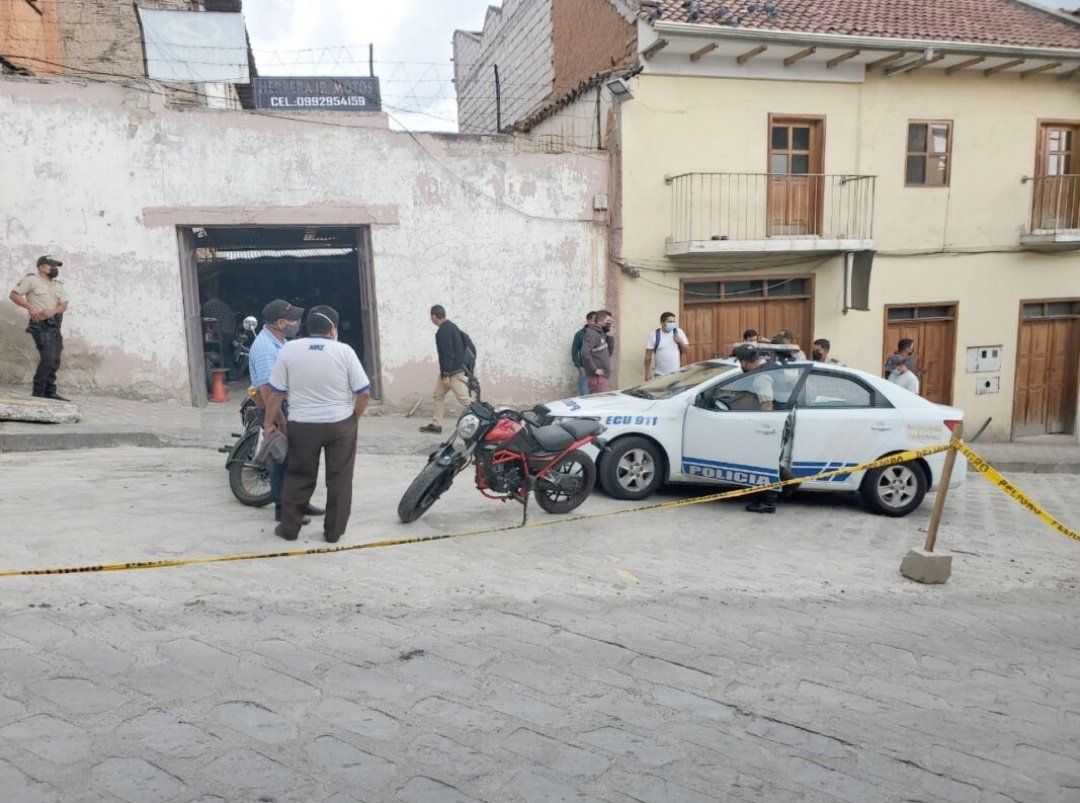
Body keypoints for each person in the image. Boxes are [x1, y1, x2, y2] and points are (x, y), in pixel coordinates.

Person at [264, 306, 370, 543]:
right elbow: (364, 393)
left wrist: (269, 422)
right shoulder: (344, 351)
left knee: (299, 475)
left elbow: (275, 394)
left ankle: (289, 529)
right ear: (332, 328)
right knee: (340, 478)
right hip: (340, 424)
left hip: (302, 424)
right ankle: (333, 532)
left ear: (306, 326)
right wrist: (353, 419)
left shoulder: (289, 350)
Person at [247, 299, 324, 526]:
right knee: (282, 463)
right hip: (279, 412)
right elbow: (269, 392)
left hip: (291, 409)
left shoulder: (279, 342)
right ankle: (284, 511)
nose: (297, 323)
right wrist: (281, 422)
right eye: (293, 319)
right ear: (281, 322)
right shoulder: (264, 348)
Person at [8, 255, 70, 401]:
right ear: (42, 267)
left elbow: (64, 304)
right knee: (48, 358)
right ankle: (38, 393)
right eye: (52, 266)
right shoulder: (31, 280)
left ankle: (49, 392)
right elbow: (14, 295)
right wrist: (30, 307)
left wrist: (53, 311)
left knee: (55, 359)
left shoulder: (57, 284)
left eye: (56, 266)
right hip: (41, 324)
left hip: (56, 323)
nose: (55, 269)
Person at [733, 344, 781, 513]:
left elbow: (767, 405)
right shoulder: (773, 366)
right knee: (774, 461)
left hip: (771, 424)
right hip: (784, 419)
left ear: (744, 363)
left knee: (764, 461)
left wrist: (764, 428)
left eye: (740, 362)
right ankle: (787, 488)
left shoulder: (761, 377)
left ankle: (767, 501)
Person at [420, 304, 471, 434]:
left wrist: (446, 374)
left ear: (434, 316)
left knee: (465, 400)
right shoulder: (452, 327)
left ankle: (482, 420)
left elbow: (447, 353)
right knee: (438, 395)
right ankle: (436, 424)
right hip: (453, 370)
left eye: (431, 317)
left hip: (452, 372)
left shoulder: (443, 331)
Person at [644, 311, 689, 380]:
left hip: (677, 374)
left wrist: (680, 341)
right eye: (669, 322)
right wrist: (647, 373)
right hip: (660, 375)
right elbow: (648, 356)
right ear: (662, 322)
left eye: (673, 322)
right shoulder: (654, 335)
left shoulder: (679, 332)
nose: (672, 324)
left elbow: (686, 351)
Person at [201, 293, 236, 379]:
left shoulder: (207, 306)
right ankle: (232, 372)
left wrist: (208, 331)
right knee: (228, 351)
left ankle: (232, 373)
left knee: (224, 353)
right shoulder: (222, 304)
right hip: (230, 329)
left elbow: (206, 321)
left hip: (221, 332)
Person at [581, 309, 615, 393]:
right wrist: (594, 369)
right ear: (600, 321)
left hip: (603, 378)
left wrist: (610, 338)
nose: (610, 324)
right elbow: (584, 352)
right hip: (597, 378)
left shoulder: (602, 334)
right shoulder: (593, 333)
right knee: (601, 403)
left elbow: (608, 353)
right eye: (608, 321)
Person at [571, 311, 596, 396]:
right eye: (593, 320)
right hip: (585, 371)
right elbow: (574, 352)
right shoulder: (579, 335)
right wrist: (579, 366)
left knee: (598, 399)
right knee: (586, 398)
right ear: (588, 321)